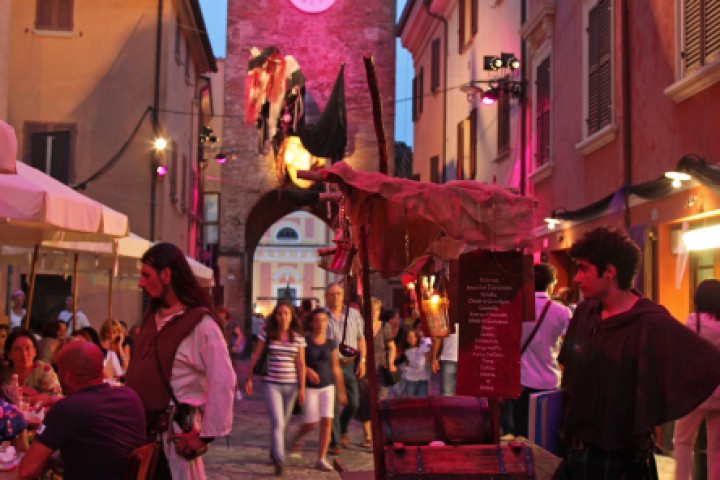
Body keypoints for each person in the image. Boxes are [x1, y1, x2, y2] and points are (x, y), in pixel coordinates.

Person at [559, 226, 720, 479]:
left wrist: (657, 407)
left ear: (609, 272)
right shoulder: (584, 313)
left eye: (583, 269)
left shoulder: (651, 322)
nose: (577, 278)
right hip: (576, 452)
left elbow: (707, 363)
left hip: (622, 459)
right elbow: (569, 378)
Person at [124, 242, 235, 480]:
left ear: (166, 275)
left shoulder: (201, 324)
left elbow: (223, 379)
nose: (141, 283)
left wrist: (204, 436)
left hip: (171, 439)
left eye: (146, 275)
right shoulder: (152, 319)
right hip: (140, 436)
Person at [18, 341, 146, 480]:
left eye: (58, 369)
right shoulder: (130, 397)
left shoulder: (67, 410)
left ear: (66, 375)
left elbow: (26, 471)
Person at [508, 263, 571, 438]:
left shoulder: (514, 308)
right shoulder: (562, 312)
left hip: (521, 382)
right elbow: (571, 344)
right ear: (551, 283)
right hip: (550, 383)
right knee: (547, 437)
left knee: (523, 436)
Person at [245, 300, 306, 476]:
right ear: (275, 315)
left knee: (282, 424)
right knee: (278, 422)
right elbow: (256, 355)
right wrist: (248, 378)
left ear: (291, 315)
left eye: (286, 313)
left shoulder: (298, 336)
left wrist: (302, 388)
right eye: (279, 313)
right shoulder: (268, 333)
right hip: (271, 384)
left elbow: (301, 363)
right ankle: (280, 460)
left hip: (291, 386)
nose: (283, 317)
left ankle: (274, 449)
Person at [289, 307, 346, 471]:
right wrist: (307, 371)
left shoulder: (331, 343)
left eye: (324, 320)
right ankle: (297, 438)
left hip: (328, 386)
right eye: (317, 320)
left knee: (327, 421)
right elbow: (297, 362)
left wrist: (341, 390)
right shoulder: (304, 341)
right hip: (310, 387)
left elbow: (335, 367)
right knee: (311, 423)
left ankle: (321, 458)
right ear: (312, 323)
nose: (321, 324)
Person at [674, 279, 720, 480]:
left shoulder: (694, 321)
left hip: (697, 392)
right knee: (717, 447)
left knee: (683, 442)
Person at [324, 282, 366, 455]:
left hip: (349, 364)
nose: (335, 297)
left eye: (338, 294)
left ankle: (342, 429)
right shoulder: (322, 316)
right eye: (332, 294)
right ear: (326, 297)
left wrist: (362, 361)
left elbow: (361, 339)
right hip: (329, 366)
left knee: (354, 402)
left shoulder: (354, 314)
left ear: (343, 296)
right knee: (332, 405)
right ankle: (335, 442)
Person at [356, 300, 396, 447]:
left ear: (379, 311)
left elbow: (391, 347)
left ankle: (380, 434)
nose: (374, 311)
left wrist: (391, 362)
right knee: (364, 402)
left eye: (376, 309)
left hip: (380, 369)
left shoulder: (385, 327)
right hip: (364, 369)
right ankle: (367, 436)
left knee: (380, 402)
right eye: (371, 309)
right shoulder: (361, 326)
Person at [2, 328, 62, 407]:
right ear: (9, 354)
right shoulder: (4, 373)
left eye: (28, 348)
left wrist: (43, 398)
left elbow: (59, 397)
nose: (24, 354)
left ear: (35, 351)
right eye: (17, 350)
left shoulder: (44, 370)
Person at [400, 329, 431, 397]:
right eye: (409, 337)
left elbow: (429, 357)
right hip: (410, 380)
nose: (412, 339)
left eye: (414, 336)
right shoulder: (406, 351)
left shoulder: (422, 347)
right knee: (410, 403)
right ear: (406, 339)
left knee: (422, 402)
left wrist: (425, 341)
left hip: (422, 380)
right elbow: (405, 364)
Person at [431, 322, 459, 396]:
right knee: (447, 394)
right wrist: (434, 358)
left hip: (466, 360)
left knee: (466, 397)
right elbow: (438, 338)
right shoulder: (445, 319)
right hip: (448, 359)